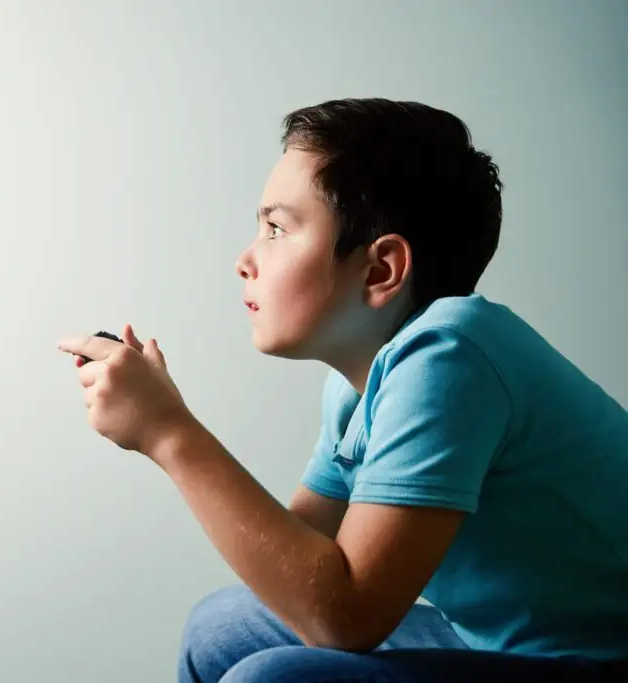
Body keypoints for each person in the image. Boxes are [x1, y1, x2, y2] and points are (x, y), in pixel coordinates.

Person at [57, 98, 628, 682]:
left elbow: (346, 615)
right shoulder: (363, 381)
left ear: (381, 270)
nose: (244, 259)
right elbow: (301, 553)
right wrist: (164, 419)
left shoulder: (453, 356)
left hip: (594, 656)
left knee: (273, 679)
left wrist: (168, 433)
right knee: (220, 626)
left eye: (276, 229)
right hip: (491, 641)